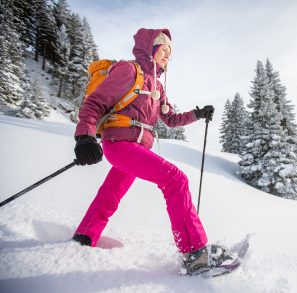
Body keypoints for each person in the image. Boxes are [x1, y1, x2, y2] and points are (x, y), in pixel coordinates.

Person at [72, 28, 232, 274]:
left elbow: (171, 120)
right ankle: (196, 254)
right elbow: (95, 102)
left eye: (170, 51)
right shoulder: (128, 70)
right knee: (175, 179)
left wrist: (197, 114)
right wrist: (84, 137)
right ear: (150, 48)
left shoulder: (157, 85)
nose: (168, 54)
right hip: (120, 144)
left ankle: (84, 236)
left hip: (135, 147)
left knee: (110, 194)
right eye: (164, 48)